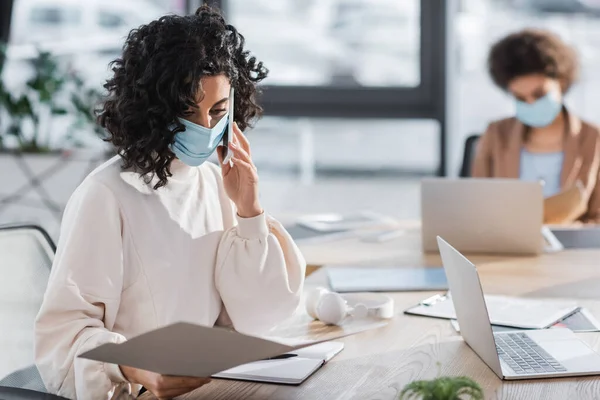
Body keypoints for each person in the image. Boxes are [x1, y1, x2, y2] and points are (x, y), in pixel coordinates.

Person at [34, 6, 306, 399]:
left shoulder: (217, 183)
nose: (206, 129)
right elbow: (59, 343)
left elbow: (262, 317)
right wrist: (132, 364)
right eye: (186, 111)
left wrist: (249, 210)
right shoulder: (106, 195)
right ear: (154, 108)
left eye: (217, 111)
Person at [472, 29, 600, 223]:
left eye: (539, 95)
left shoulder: (593, 138)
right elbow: (477, 205)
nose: (531, 103)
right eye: (520, 98)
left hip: (571, 249)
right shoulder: (496, 134)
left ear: (562, 82)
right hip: (507, 246)